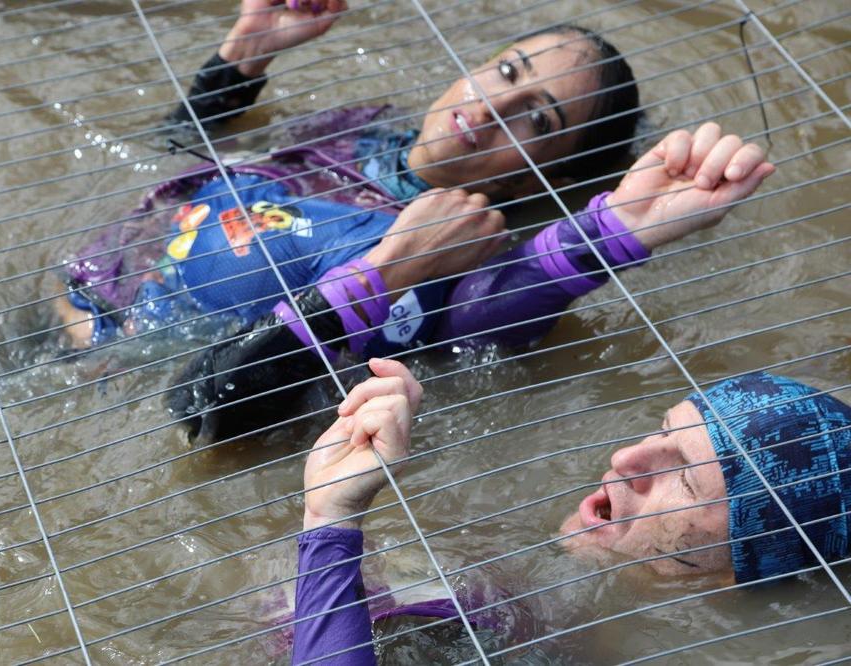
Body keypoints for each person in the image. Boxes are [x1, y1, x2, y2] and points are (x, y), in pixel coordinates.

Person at [55, 1, 774, 442]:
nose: (490, 107)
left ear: (548, 175)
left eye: (537, 119)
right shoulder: (362, 127)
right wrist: (241, 59)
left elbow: (202, 409)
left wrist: (619, 227)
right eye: (507, 72)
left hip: (94, 396)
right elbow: (178, 161)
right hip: (50, 315)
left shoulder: (457, 257)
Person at [292, 359, 851, 664]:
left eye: (684, 475)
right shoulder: (502, 566)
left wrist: (330, 523)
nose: (626, 459)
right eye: (661, 431)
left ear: (735, 574)